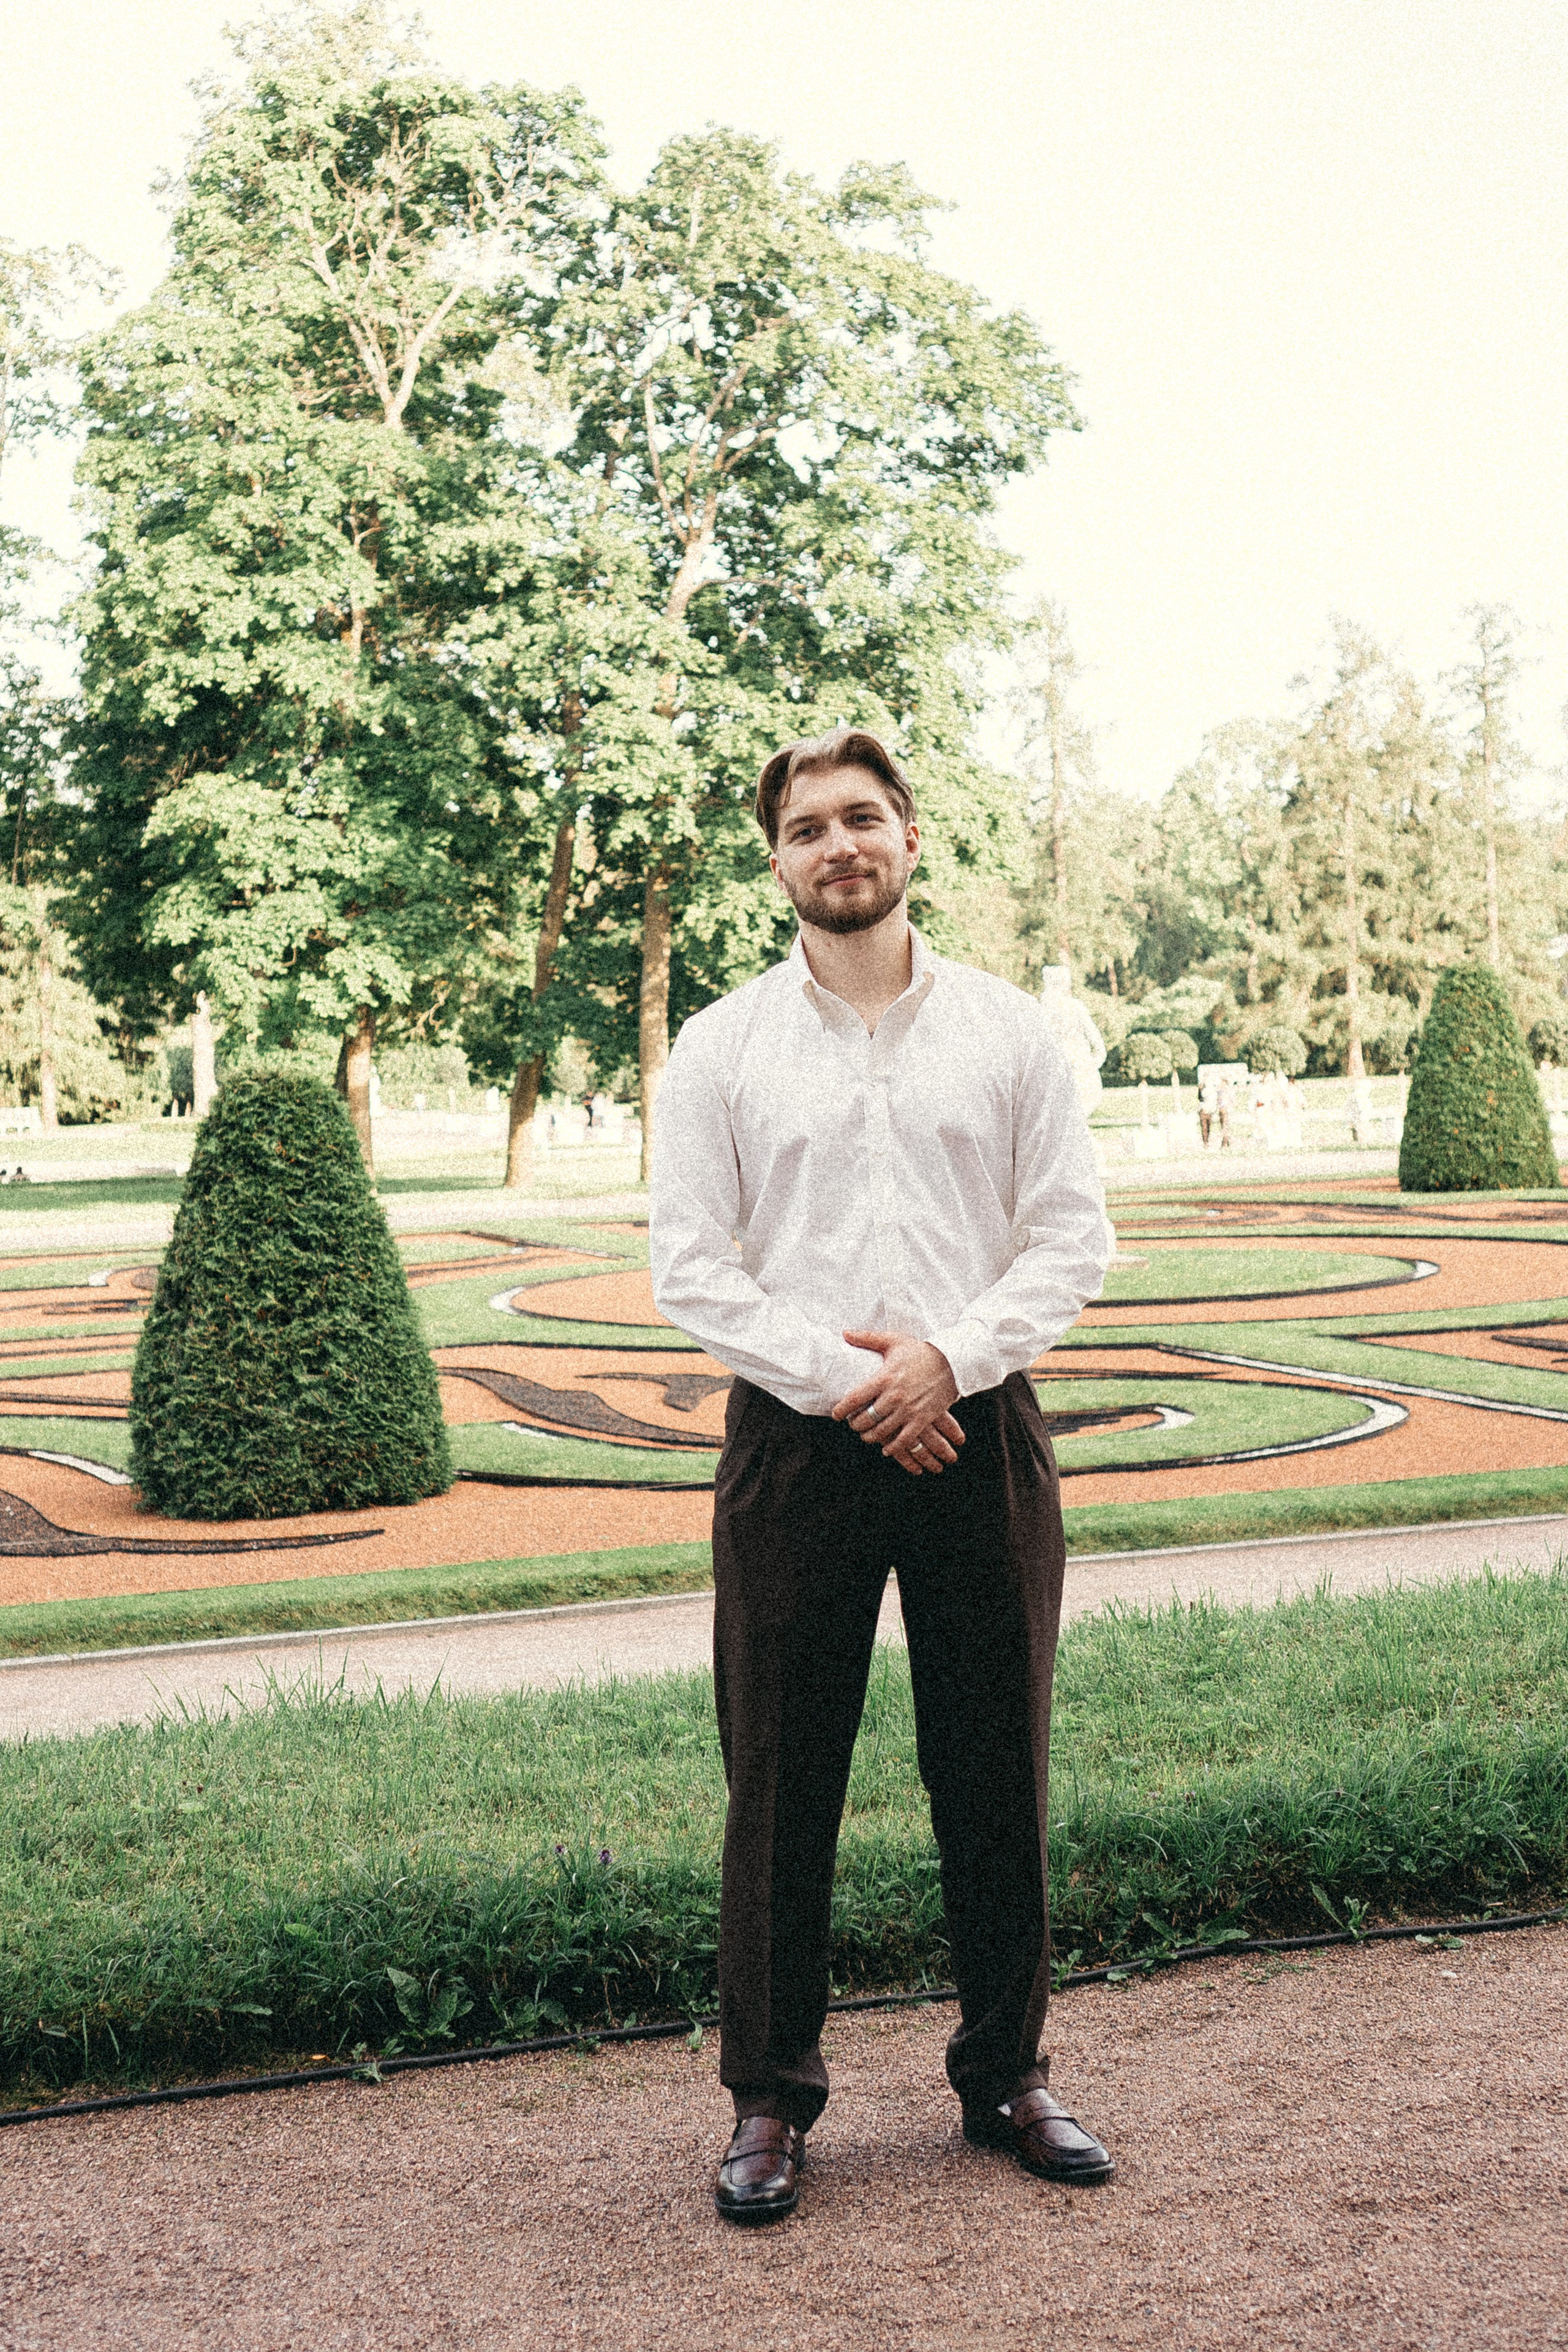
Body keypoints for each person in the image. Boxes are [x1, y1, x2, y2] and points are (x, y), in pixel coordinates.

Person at [649, 726, 1114, 2227]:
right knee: (780, 1774)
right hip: (797, 1440)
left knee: (994, 1760)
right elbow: (690, 1268)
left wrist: (945, 1363)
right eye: (805, 828)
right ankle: (768, 2098)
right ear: (775, 861)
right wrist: (858, 1380)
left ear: (910, 835)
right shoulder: (720, 1046)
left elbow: (1069, 1237)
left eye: (860, 817)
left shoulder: (1009, 1032)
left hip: (976, 1427)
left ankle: (1005, 2073)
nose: (835, 846)